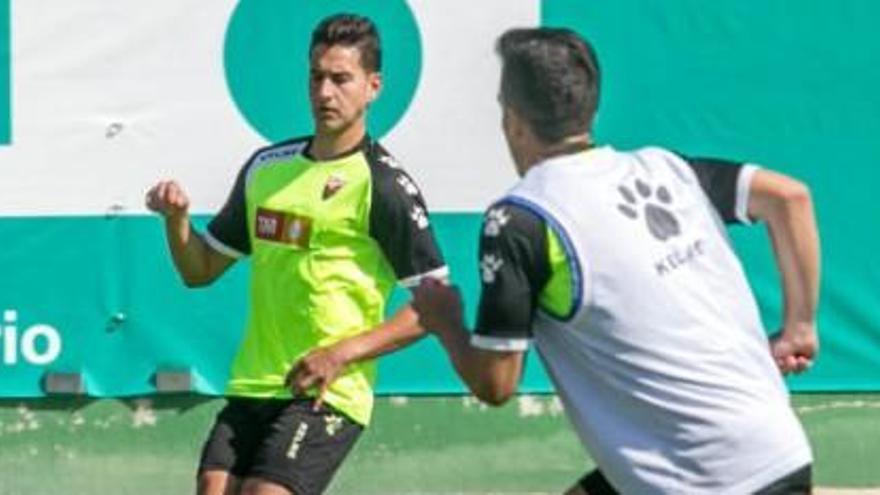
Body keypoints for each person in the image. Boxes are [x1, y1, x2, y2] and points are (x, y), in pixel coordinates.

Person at [413, 27, 820, 494]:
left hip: (699, 479)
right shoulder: (668, 169)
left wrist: (445, 322)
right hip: (778, 449)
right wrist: (800, 327)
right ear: (592, 107)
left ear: (513, 118)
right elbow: (791, 199)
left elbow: (497, 383)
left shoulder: (519, 220)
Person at [146, 14, 446, 495]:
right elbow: (198, 270)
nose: (325, 92)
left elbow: (436, 306)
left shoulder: (384, 185)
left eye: (341, 79)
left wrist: (340, 354)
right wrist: (176, 220)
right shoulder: (268, 169)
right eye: (317, 77)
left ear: (373, 86)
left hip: (327, 392)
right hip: (253, 383)